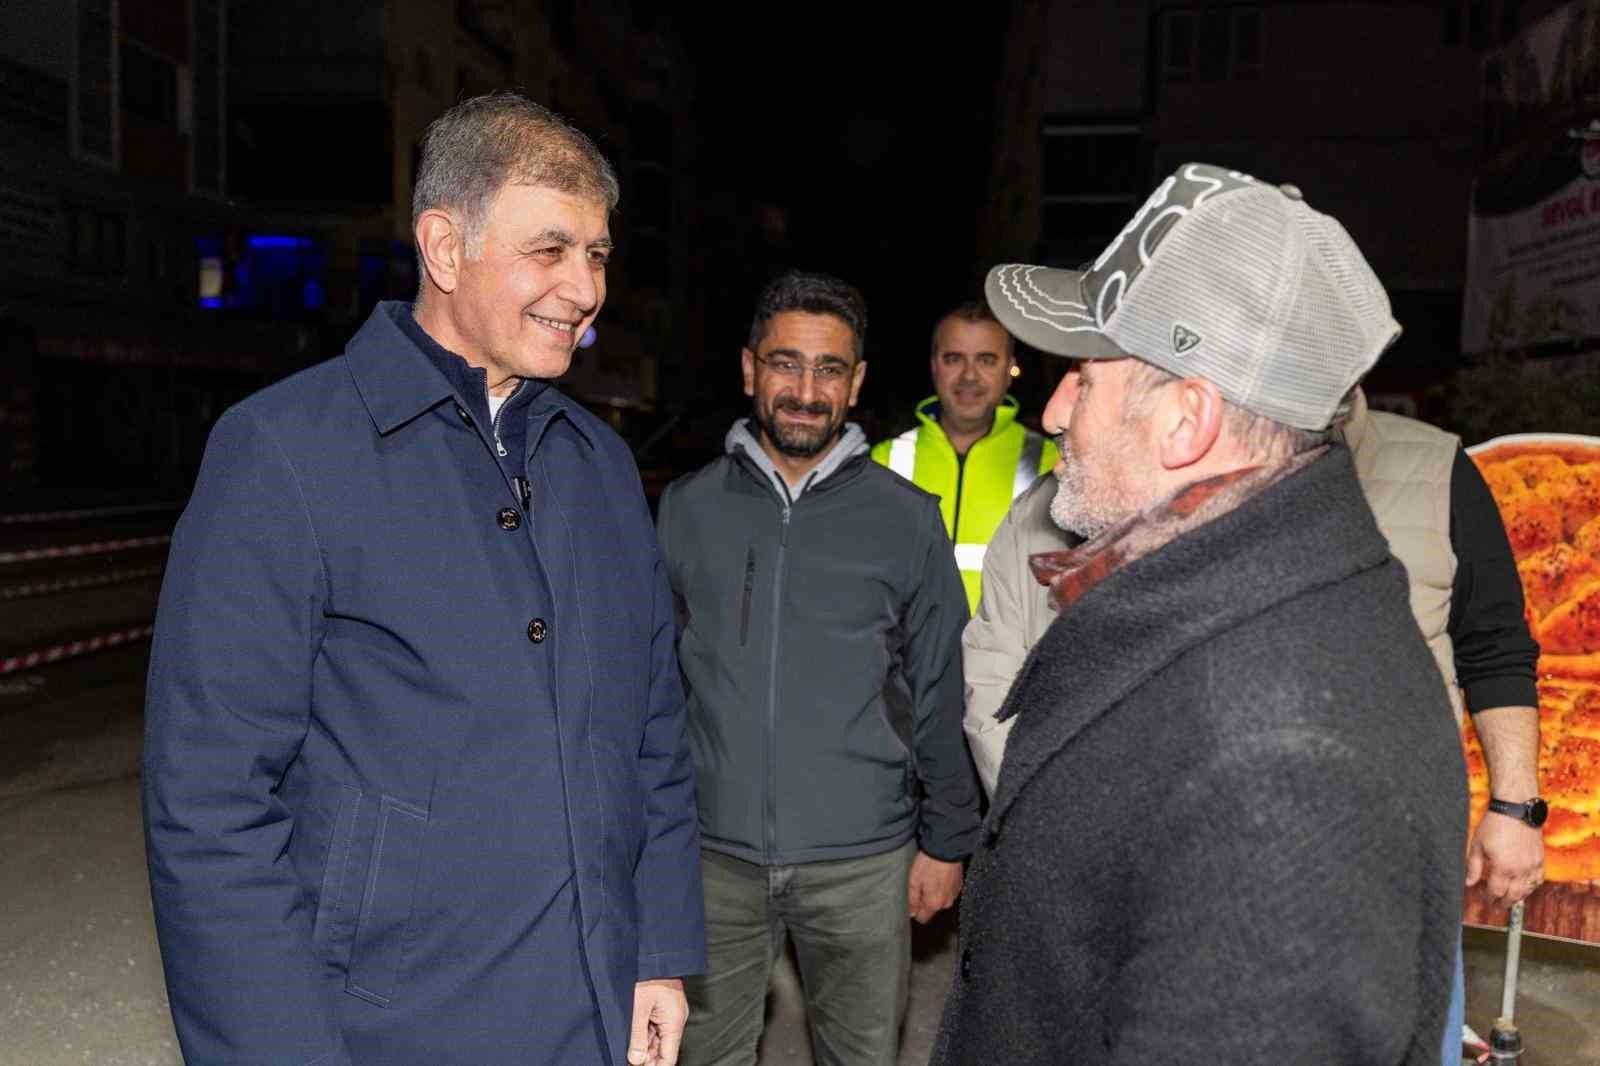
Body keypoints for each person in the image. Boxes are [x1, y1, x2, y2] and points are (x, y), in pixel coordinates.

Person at [143, 92, 704, 1066]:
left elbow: (650, 734)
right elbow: (211, 807)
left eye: (599, 254)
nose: (585, 288)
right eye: (550, 249)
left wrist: (655, 950)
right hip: (387, 1032)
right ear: (444, 248)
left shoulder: (601, 468)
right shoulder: (282, 451)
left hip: (591, 1008)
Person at [933, 163, 1466, 1065]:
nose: (1055, 408)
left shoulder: (1284, 769)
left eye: (1087, 377)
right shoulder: (1239, 601)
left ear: (1188, 422)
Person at [657, 271, 980, 1066]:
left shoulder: (906, 521)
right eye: (786, 363)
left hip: (863, 862)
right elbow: (651, 687)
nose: (806, 390)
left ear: (857, 382)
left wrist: (946, 840)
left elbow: (941, 685)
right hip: (711, 857)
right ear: (748, 370)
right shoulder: (687, 509)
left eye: (829, 369)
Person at [870, 300, 1058, 611]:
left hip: (1010, 658)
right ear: (933, 365)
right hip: (904, 657)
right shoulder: (885, 459)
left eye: (986, 360)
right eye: (953, 358)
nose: (969, 376)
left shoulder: (1049, 462)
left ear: (1009, 369)